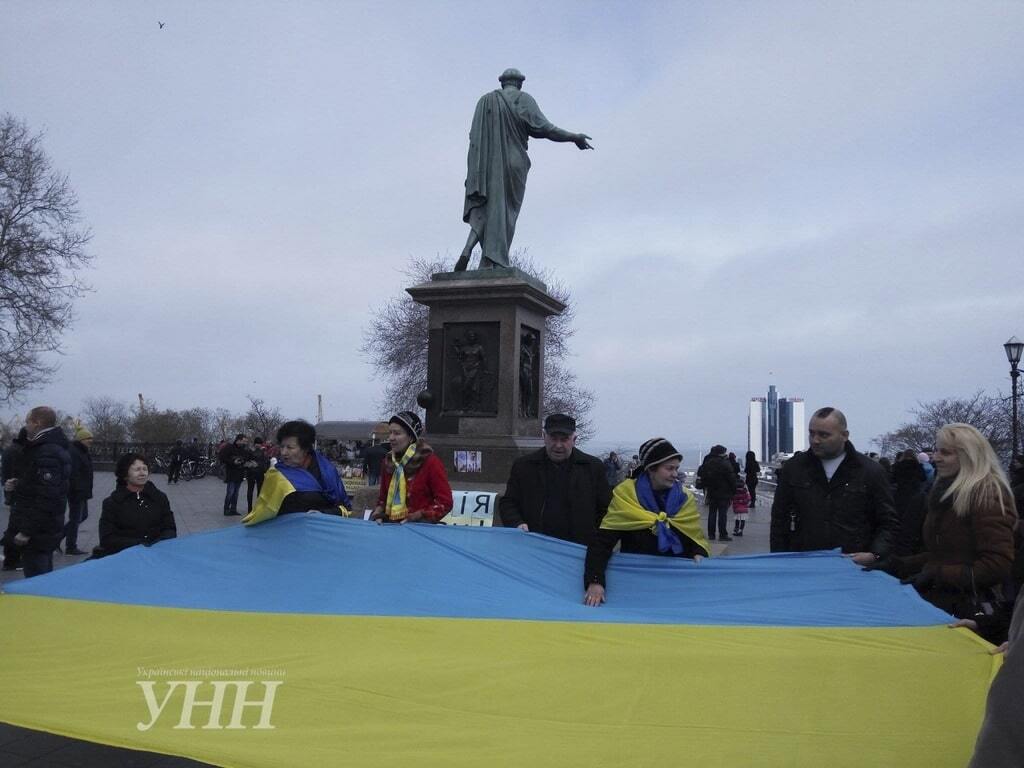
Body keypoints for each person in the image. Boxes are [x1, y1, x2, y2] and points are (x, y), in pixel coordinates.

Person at [868, 424, 1016, 621]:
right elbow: (947, 553)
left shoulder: (986, 496)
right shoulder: (946, 494)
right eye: (937, 450)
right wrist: (899, 565)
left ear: (969, 456)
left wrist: (937, 574)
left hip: (970, 611)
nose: (936, 457)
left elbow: (997, 565)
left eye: (945, 453)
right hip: (944, 602)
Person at [454, 68, 593, 271]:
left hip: (485, 166)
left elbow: (473, 139)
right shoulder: (523, 99)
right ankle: (494, 260)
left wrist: (473, 171)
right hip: (513, 162)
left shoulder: (484, 102)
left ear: (503, 83)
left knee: (487, 207)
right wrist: (574, 137)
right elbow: (545, 128)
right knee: (505, 213)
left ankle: (470, 250)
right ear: (519, 84)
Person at [583, 438, 709, 606]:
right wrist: (595, 581)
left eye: (676, 468)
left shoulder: (684, 498)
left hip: (675, 587)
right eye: (669, 468)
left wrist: (698, 551)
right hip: (636, 586)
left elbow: (693, 535)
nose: (674, 474)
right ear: (651, 469)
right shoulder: (626, 498)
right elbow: (602, 542)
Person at [770, 407, 898, 564]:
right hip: (803, 562)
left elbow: (888, 521)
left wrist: (875, 555)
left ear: (844, 435)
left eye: (824, 435)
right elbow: (779, 519)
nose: (815, 440)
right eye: (811, 433)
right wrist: (778, 561)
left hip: (853, 565)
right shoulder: (794, 469)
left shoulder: (871, 472)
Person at [499, 413, 610, 544]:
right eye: (553, 438)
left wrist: (594, 538)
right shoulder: (524, 466)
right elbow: (508, 502)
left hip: (578, 549)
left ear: (574, 440)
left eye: (564, 439)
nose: (558, 445)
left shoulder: (593, 468)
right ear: (544, 436)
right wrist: (517, 523)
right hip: (533, 545)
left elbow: (606, 509)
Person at [4, 407, 71, 577]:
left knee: (37, 577)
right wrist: (19, 484)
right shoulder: (48, 447)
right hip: (44, 528)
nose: (25, 426)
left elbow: (47, 496)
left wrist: (26, 530)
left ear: (37, 422)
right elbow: (41, 485)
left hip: (38, 532)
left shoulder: (46, 450)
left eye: (27, 421)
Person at [243, 421, 353, 525]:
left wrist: (322, 514)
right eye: (282, 446)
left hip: (321, 532)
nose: (283, 452)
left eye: (290, 447)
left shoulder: (327, 471)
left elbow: (345, 508)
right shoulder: (277, 474)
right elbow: (262, 512)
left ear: (305, 449)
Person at [371, 412, 452, 524]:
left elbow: (445, 503)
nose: (391, 438)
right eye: (390, 433)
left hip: (419, 532)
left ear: (411, 437)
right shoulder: (388, 463)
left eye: (397, 433)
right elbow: (382, 499)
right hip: (391, 530)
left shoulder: (430, 462)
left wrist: (419, 516)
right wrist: (378, 514)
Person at [98, 453, 176, 555]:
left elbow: (170, 528)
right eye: (137, 469)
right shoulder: (112, 503)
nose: (142, 473)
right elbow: (107, 538)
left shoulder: (159, 498)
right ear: (125, 474)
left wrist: (157, 544)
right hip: (126, 556)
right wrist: (139, 545)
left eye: (145, 469)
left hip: (157, 553)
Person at [63, 424, 94, 556]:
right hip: (77, 491)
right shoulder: (74, 452)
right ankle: (71, 546)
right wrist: (77, 489)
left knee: (82, 516)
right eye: (88, 438)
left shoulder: (83, 451)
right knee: (76, 518)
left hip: (83, 490)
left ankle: (58, 538)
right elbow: (73, 474)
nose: (90, 441)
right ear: (81, 440)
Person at [891, 449, 927, 557]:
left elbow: (892, 479)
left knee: (899, 515)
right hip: (914, 493)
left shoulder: (898, 466)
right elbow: (923, 478)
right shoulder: (917, 466)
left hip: (901, 494)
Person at [696, 445, 737, 541]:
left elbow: (702, 474)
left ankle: (711, 534)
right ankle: (723, 534)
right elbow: (731, 478)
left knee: (712, 513)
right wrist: (733, 491)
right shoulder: (725, 463)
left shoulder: (708, 462)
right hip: (724, 492)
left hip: (711, 491)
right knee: (723, 514)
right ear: (721, 453)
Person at [1, 428, 27, 571]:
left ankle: (10, 557)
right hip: (18, 492)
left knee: (13, 525)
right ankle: (12, 560)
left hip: (11, 491)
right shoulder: (20, 452)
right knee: (16, 527)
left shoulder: (10, 449)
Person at [218, 434, 249, 516]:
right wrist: (232, 462)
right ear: (238, 440)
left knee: (236, 493)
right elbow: (222, 457)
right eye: (244, 441)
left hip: (240, 474)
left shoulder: (243, 449)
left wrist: (244, 462)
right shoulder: (229, 447)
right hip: (231, 473)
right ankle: (226, 509)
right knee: (230, 492)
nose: (245, 443)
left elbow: (246, 457)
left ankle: (233, 509)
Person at [244, 437, 270, 514]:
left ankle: (249, 509)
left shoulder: (249, 451)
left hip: (251, 473)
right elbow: (266, 463)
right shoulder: (263, 452)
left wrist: (250, 466)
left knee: (250, 490)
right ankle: (258, 508)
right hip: (260, 473)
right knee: (259, 491)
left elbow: (246, 462)